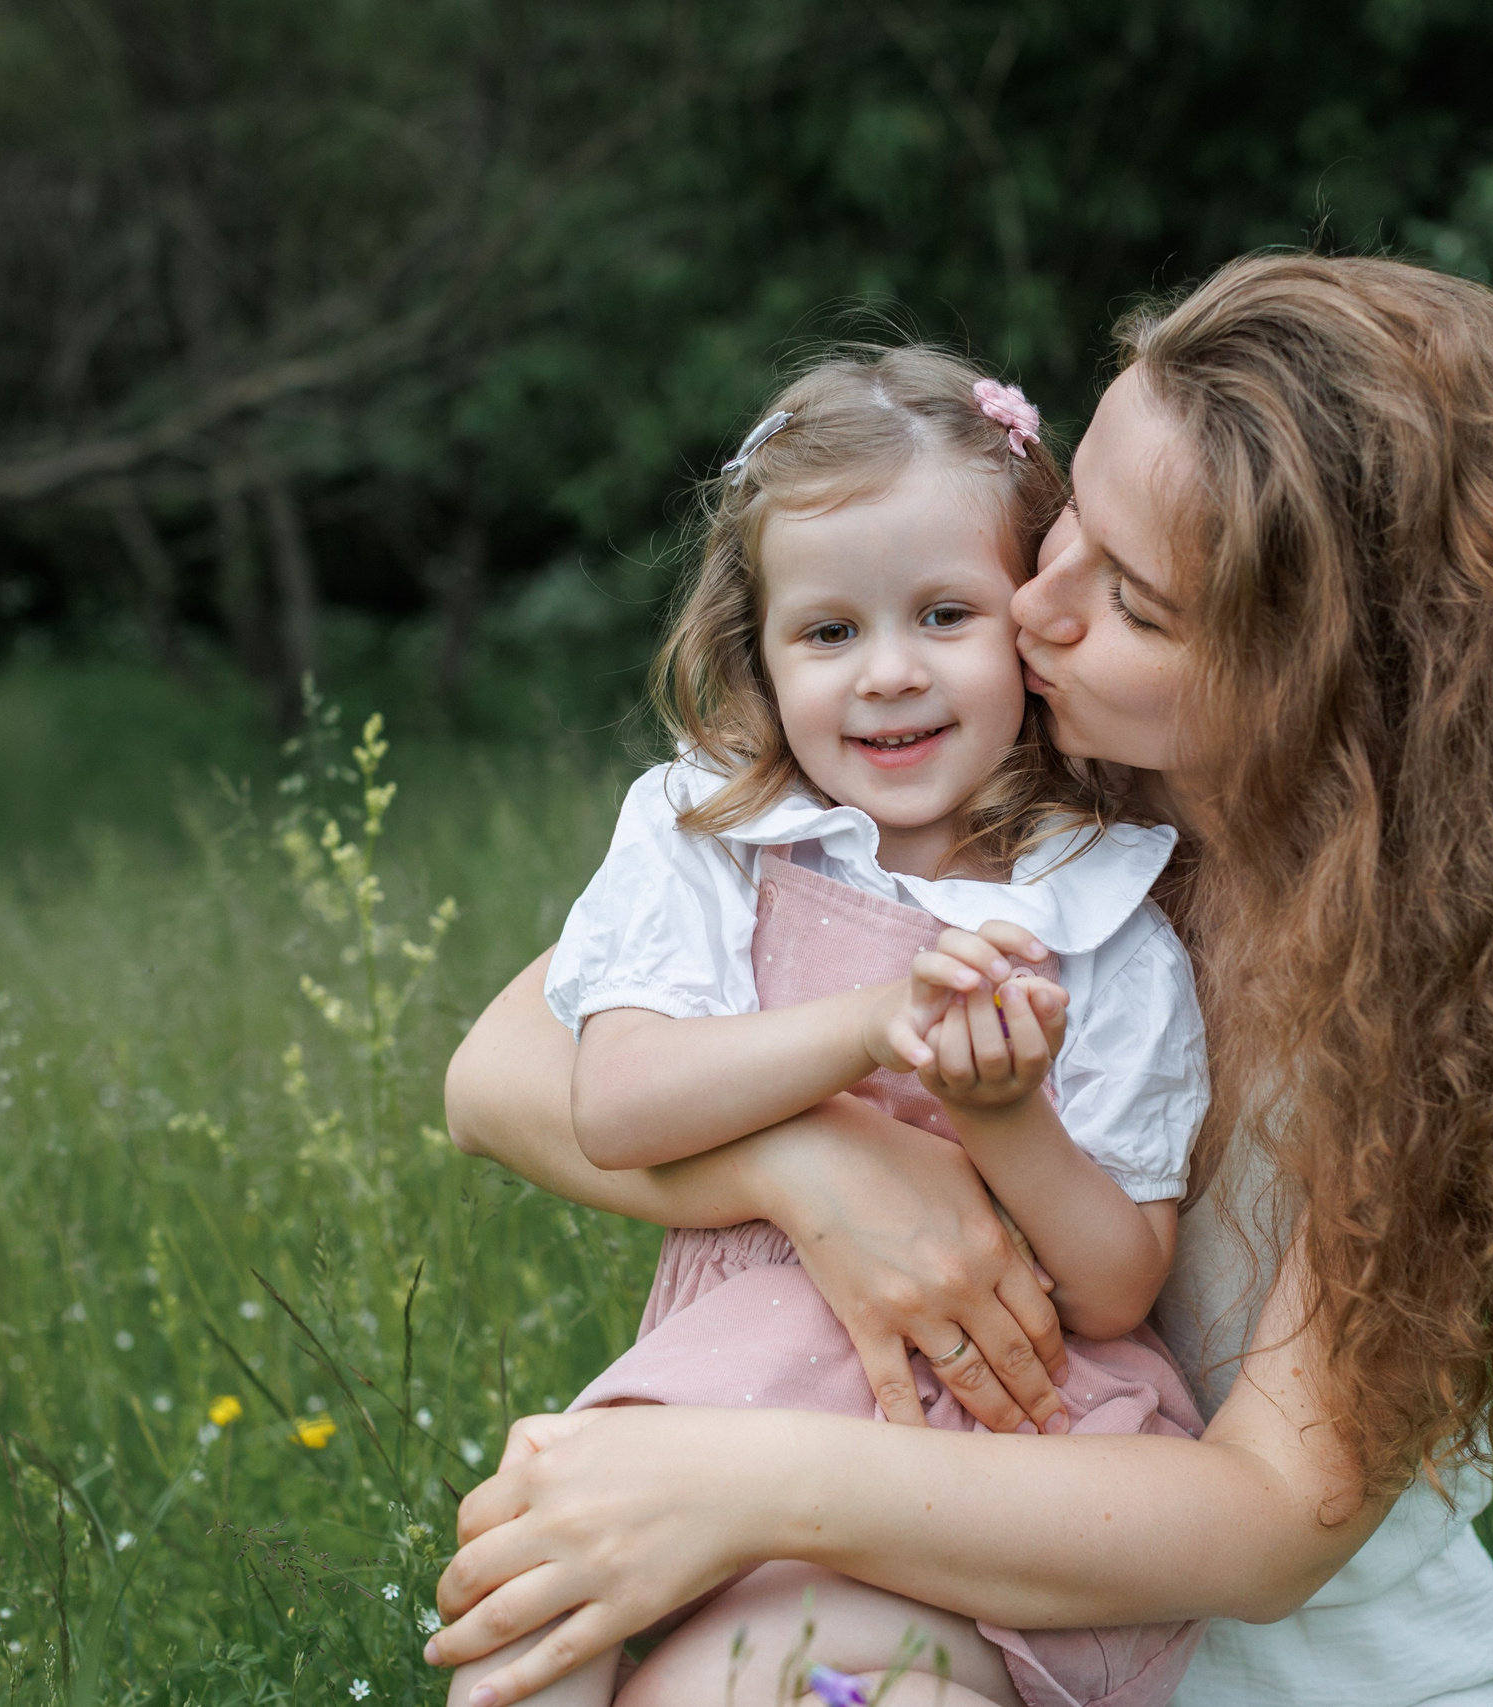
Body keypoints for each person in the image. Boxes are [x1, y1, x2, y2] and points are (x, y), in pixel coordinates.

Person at [433, 255, 1493, 1707]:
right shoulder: (1010, 793)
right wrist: (822, 1167)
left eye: (1135, 601)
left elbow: (1272, 1527)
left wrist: (742, 1481)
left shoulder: (1440, 995)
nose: (1036, 608)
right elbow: (507, 1069)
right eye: (1070, 518)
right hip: (922, 1583)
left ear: (1322, 679)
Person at [457, 346, 1215, 1707]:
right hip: (737, 1367)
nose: (887, 676)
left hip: (990, 1433)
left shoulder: (1098, 910)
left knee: (824, 1682)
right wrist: (873, 1025)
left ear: (1028, 625)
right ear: (754, 648)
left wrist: (1005, 1119)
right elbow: (619, 1101)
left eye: (942, 614)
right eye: (829, 632)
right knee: (529, 1614)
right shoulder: (716, 837)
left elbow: (1114, 1287)